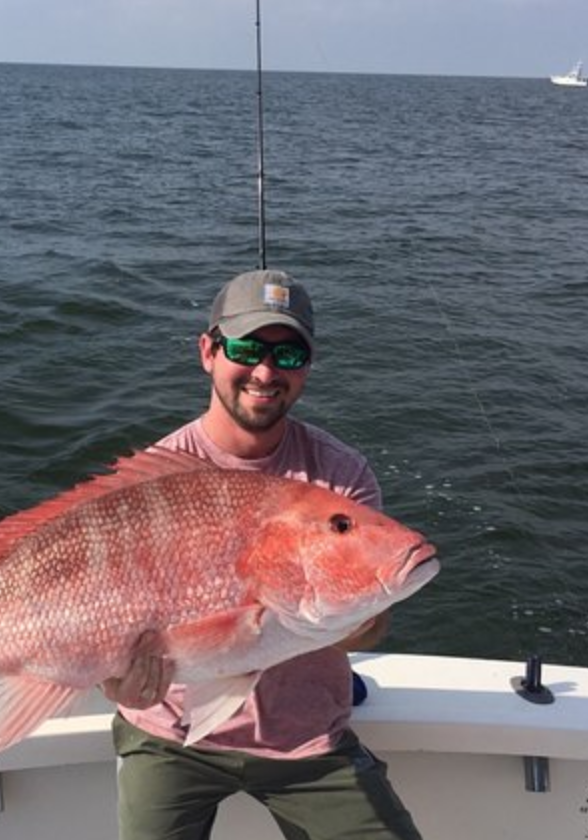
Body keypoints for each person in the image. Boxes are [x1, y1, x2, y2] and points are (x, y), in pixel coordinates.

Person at [102, 268, 422, 840]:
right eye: (247, 348)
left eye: (289, 356)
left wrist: (321, 607)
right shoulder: (153, 477)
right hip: (167, 734)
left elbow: (371, 630)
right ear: (208, 351)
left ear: (307, 367)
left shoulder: (340, 476)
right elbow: (100, 632)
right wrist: (115, 680)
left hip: (306, 740)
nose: (266, 372)